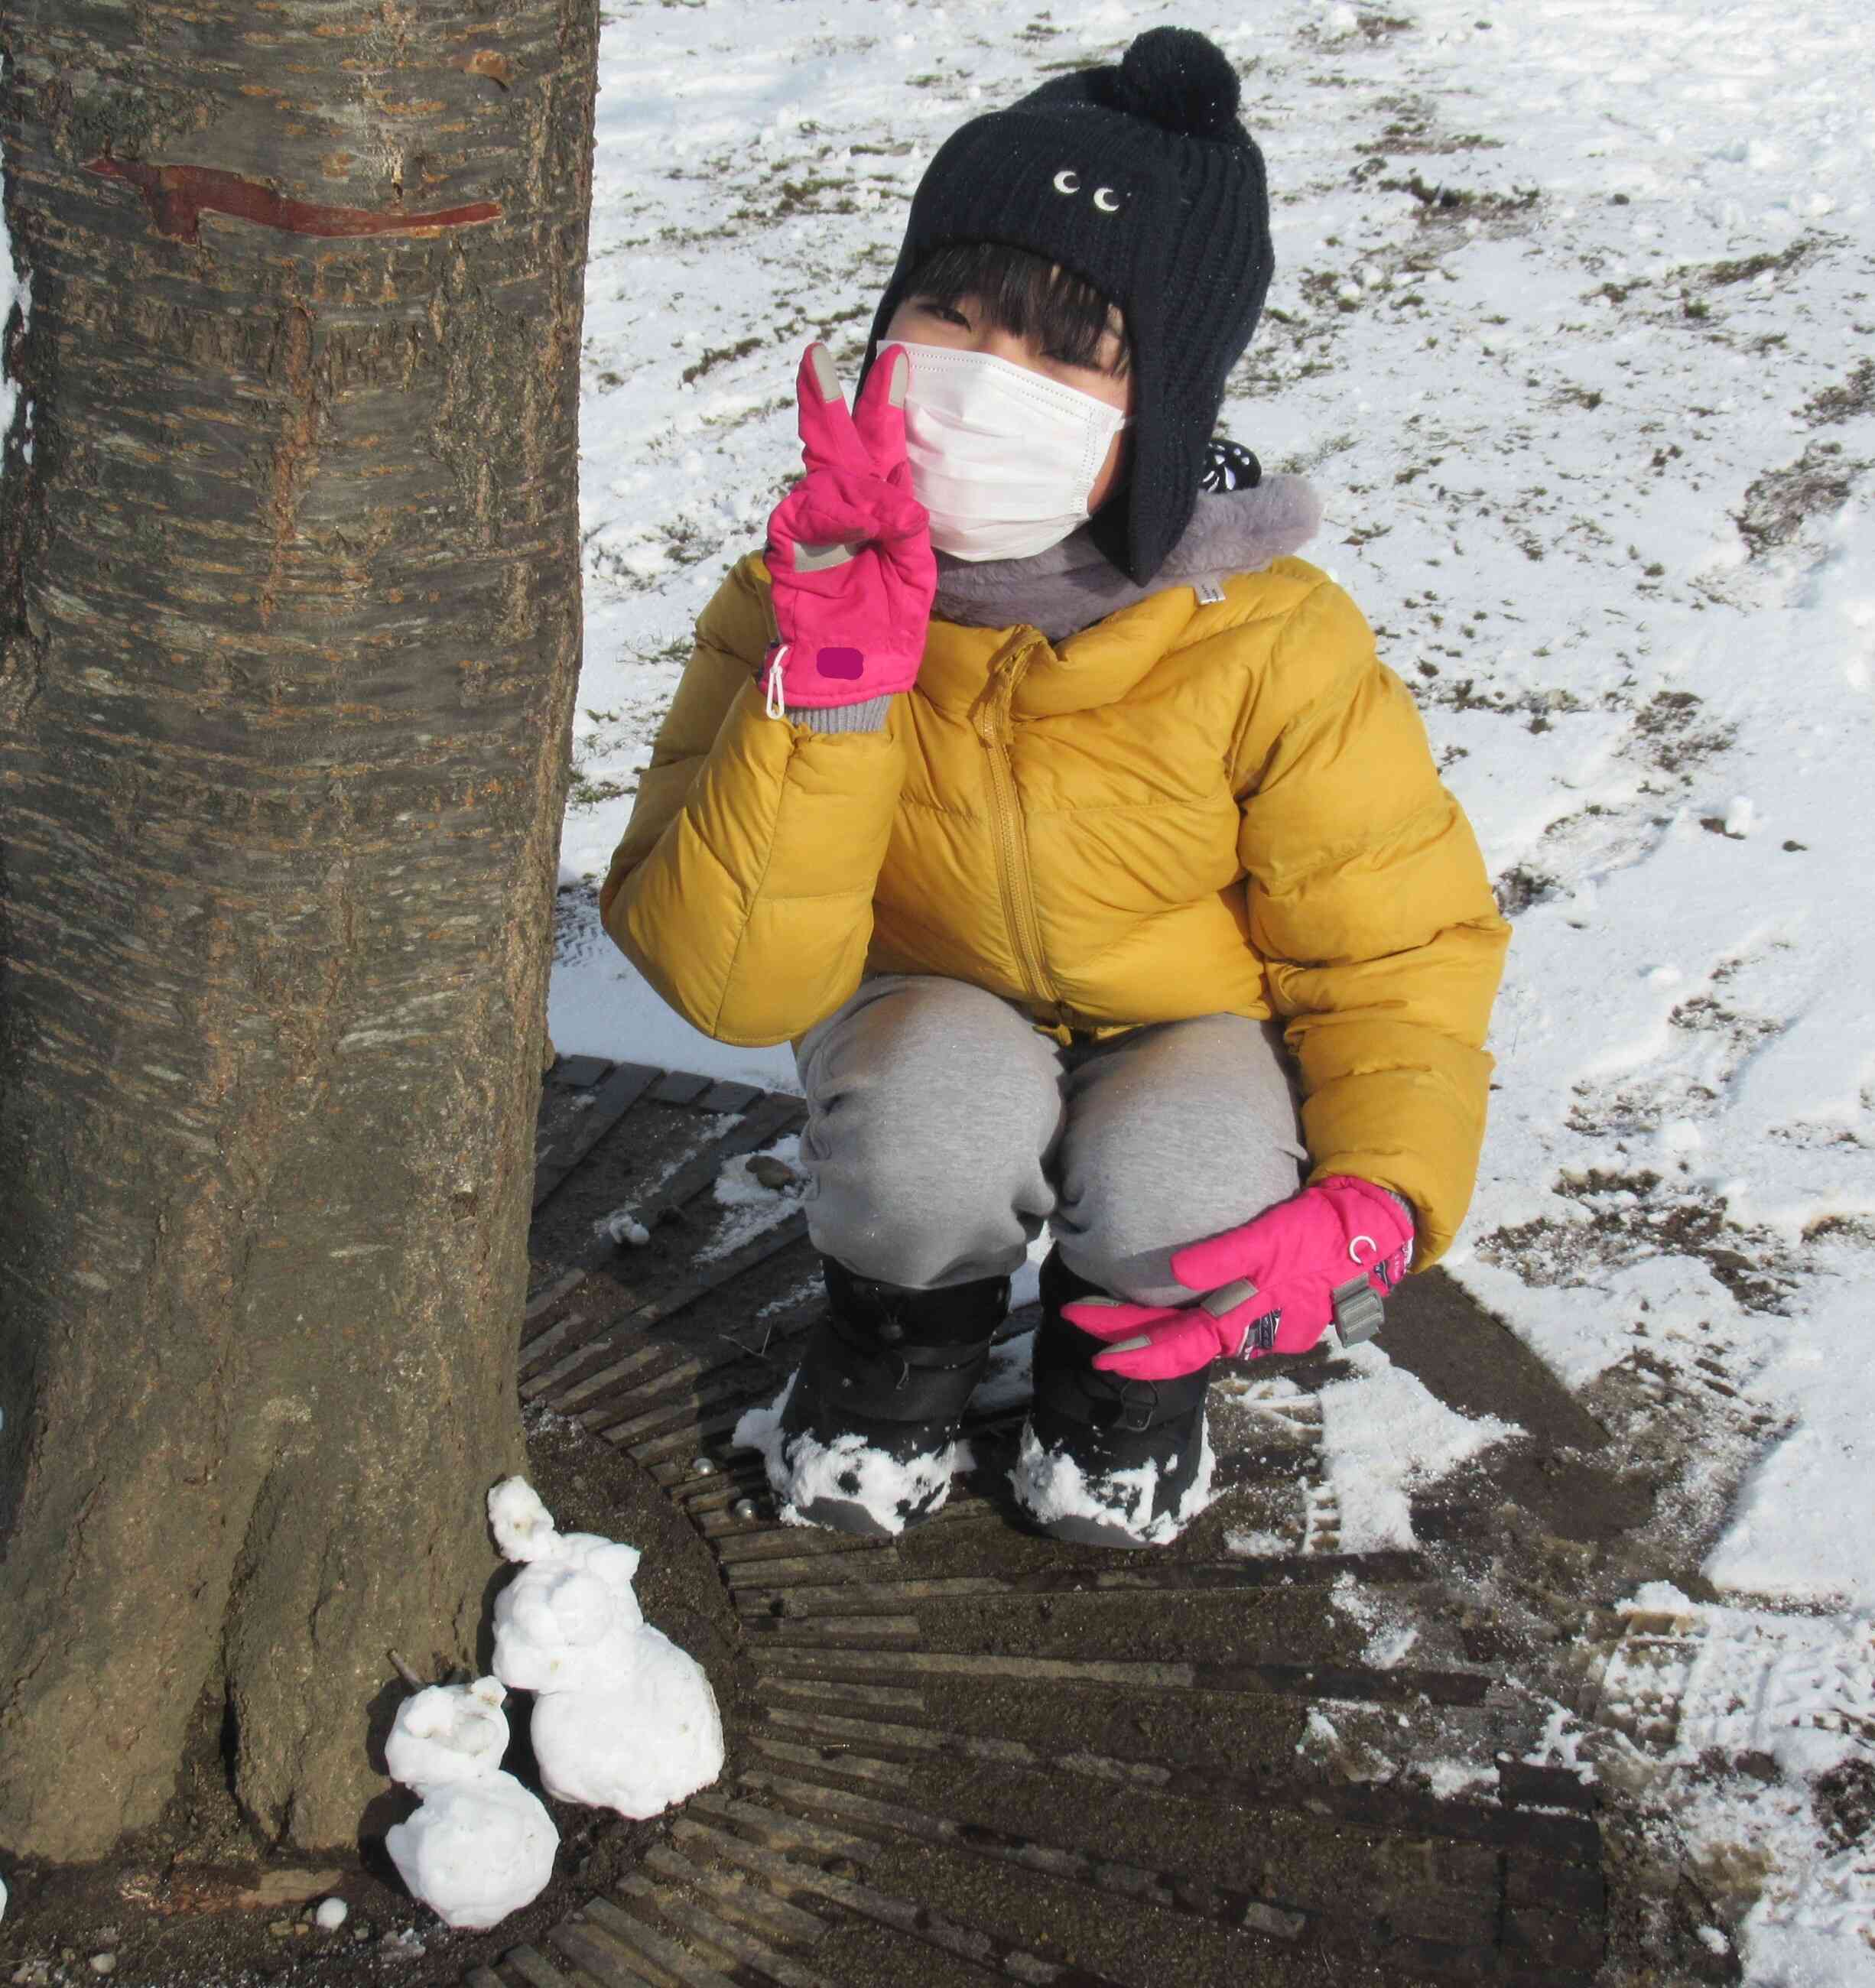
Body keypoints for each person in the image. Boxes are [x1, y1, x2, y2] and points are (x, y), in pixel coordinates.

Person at [599, 27, 1509, 1548]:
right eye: (947, 315)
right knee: (934, 1116)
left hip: (1189, 1027)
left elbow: (1394, 945)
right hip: (923, 1005)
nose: (977, 379)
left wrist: (1383, 1194)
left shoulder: (1266, 635)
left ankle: (1122, 1393)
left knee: (1197, 1164)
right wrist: (831, 691)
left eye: (1063, 351)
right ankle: (895, 1358)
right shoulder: (796, 592)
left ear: (1157, 406)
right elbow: (733, 982)